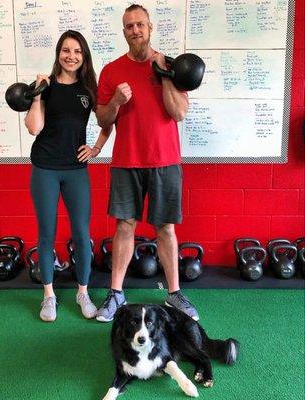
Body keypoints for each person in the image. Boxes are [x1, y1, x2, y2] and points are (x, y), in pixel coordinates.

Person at [94, 4, 200, 322]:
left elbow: (179, 113)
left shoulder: (170, 65)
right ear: (124, 32)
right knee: (124, 225)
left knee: (165, 227)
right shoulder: (111, 71)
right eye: (129, 26)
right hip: (127, 161)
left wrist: (164, 75)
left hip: (165, 161)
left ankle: (174, 294)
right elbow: (102, 118)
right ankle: (115, 294)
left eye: (140, 24)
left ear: (150, 27)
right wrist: (115, 101)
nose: (135, 30)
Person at [24, 30, 110, 322]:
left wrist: (97, 147)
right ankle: (48, 296)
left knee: (82, 235)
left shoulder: (89, 90)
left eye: (77, 51)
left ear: (84, 56)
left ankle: (82, 292)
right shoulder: (45, 87)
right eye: (65, 50)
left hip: (75, 170)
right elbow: (34, 128)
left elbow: (107, 120)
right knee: (46, 235)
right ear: (58, 54)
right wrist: (37, 93)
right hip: (45, 167)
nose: (71, 56)